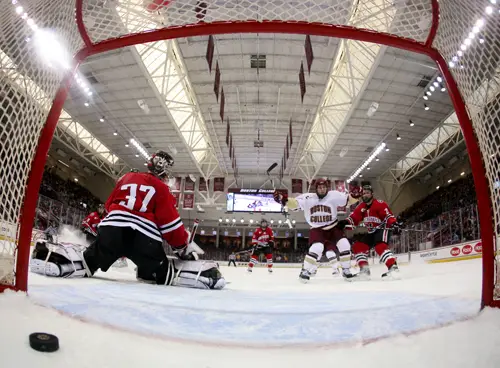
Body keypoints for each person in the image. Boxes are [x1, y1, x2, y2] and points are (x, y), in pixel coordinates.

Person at [30, 150, 225, 290]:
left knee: (89, 260)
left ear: (149, 164)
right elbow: (170, 225)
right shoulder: (163, 189)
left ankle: (55, 259)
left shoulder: (126, 177)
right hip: (143, 239)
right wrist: (182, 246)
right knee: (163, 272)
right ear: (166, 173)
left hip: (111, 231)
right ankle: (204, 275)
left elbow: (108, 207)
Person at [273, 178, 358, 282]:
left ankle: (346, 270)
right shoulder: (308, 198)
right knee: (317, 248)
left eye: (324, 187)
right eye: (319, 187)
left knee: (344, 244)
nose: (322, 189)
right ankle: (305, 271)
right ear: (316, 188)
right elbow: (294, 203)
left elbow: (348, 200)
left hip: (333, 227)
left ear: (327, 188)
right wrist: (282, 199)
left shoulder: (333, 195)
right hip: (317, 229)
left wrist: (356, 195)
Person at [337, 185, 401, 280]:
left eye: (367, 193)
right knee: (358, 247)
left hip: (383, 229)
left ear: (372, 194)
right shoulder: (361, 206)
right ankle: (365, 271)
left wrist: (394, 223)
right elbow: (354, 218)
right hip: (371, 232)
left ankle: (393, 267)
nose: (365, 195)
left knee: (380, 246)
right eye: (363, 193)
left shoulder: (379, 204)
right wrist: (345, 222)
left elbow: (388, 216)